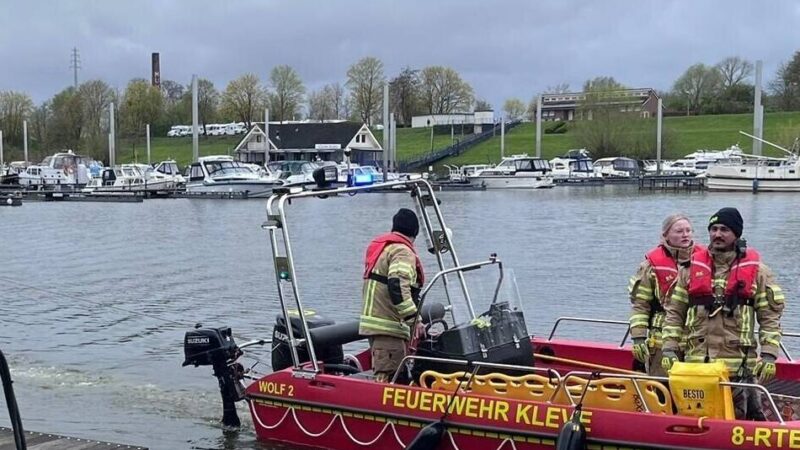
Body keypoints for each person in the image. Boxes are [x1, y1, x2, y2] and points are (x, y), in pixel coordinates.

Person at [661, 207, 785, 420]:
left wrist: (769, 354)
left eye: (724, 229)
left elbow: (770, 317)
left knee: (741, 421)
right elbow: (674, 313)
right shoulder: (690, 270)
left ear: (736, 234)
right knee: (694, 420)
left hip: (737, 369)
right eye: (714, 229)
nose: (717, 234)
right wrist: (669, 349)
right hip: (696, 366)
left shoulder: (758, 272)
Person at [359, 208, 425, 382]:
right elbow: (397, 285)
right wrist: (415, 320)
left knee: (392, 373)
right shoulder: (402, 252)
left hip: (378, 325)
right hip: (389, 327)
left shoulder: (384, 248)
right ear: (415, 232)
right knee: (389, 377)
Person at [629, 213, 698, 376]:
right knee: (663, 389)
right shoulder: (650, 266)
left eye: (688, 230)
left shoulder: (704, 260)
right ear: (665, 235)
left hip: (695, 339)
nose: (685, 234)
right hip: (661, 337)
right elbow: (640, 305)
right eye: (679, 231)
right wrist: (638, 337)